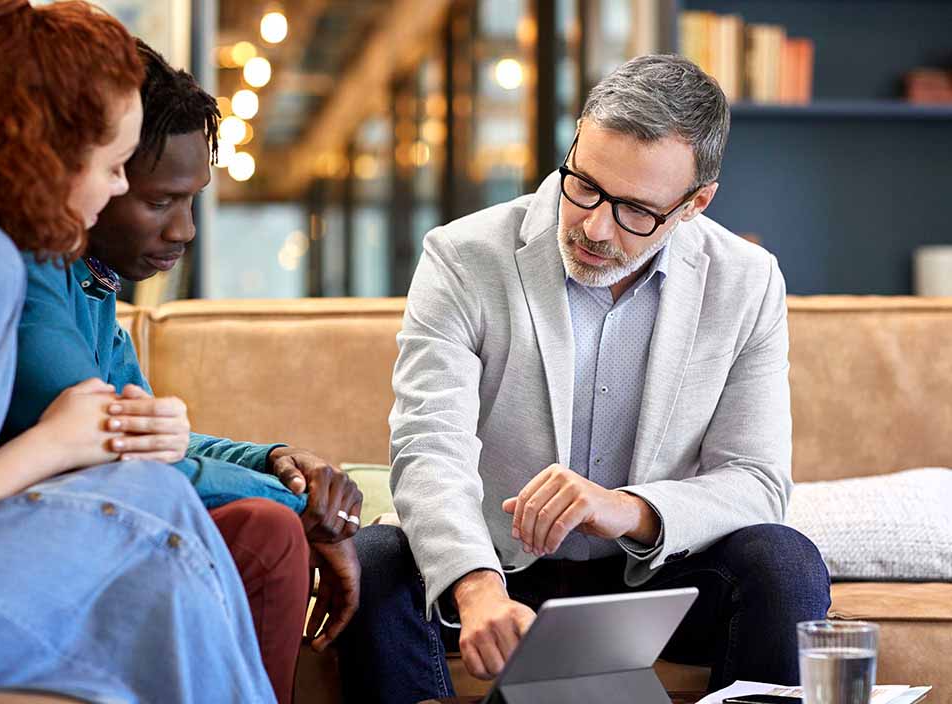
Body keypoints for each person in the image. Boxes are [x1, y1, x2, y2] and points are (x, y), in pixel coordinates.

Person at [336, 54, 831, 703]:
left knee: (784, 561)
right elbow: (430, 450)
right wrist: (477, 585)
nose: (595, 227)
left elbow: (758, 482)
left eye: (635, 211)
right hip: (498, 573)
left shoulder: (747, 280)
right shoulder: (462, 258)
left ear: (695, 203)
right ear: (572, 148)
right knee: (374, 562)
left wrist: (624, 508)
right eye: (585, 185)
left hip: (654, 579)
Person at [0, 2, 274, 702]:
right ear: (42, 150)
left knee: (145, 499)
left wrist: (129, 435)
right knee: (152, 513)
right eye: (112, 165)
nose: (115, 187)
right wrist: (58, 441)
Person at [1, 40, 362, 704]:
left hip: (81, 521)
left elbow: (153, 442)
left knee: (266, 526)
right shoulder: (25, 278)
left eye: (193, 199)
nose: (187, 229)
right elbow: (116, 456)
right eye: (161, 199)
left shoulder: (90, 281)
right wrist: (303, 506)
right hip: (16, 543)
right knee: (269, 533)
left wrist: (273, 461)